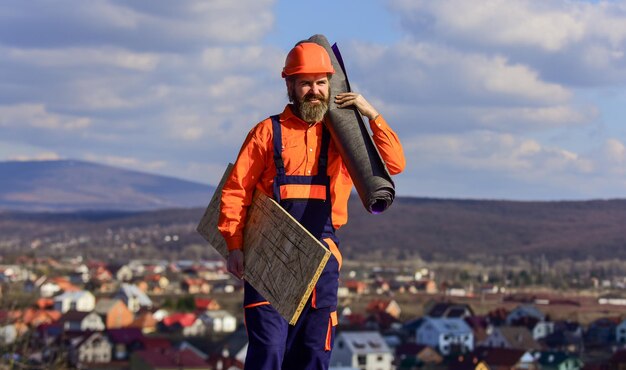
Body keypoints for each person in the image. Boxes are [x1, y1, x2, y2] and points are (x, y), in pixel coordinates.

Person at [218, 41, 405, 370]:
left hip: (321, 261)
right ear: (289, 84)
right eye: (305, 83)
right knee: (268, 355)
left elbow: (395, 163)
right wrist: (234, 244)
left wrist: (369, 112)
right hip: (268, 259)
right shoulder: (266, 133)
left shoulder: (342, 139)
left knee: (313, 356)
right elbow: (236, 191)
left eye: (321, 83)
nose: (314, 91)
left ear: (330, 85)